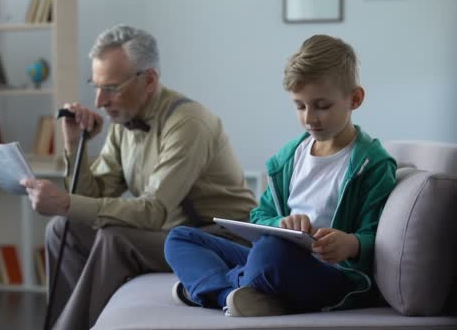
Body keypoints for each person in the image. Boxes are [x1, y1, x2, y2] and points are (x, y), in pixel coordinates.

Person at [20, 24, 256, 329]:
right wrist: (75, 143)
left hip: (216, 239)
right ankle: (78, 319)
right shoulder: (124, 123)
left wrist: (66, 202)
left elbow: (153, 212)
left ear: (150, 80)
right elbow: (91, 200)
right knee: (62, 229)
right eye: (96, 85)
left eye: (112, 88)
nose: (99, 101)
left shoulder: (188, 124)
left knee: (115, 239)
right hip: (169, 234)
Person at [164, 34, 397, 317]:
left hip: (333, 276)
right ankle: (232, 295)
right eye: (300, 106)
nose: (309, 118)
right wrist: (281, 222)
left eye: (322, 106)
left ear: (355, 99)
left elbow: (381, 237)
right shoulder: (289, 158)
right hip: (276, 259)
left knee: (270, 254)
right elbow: (260, 216)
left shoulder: (372, 164)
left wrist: (351, 244)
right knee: (180, 238)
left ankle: (207, 288)